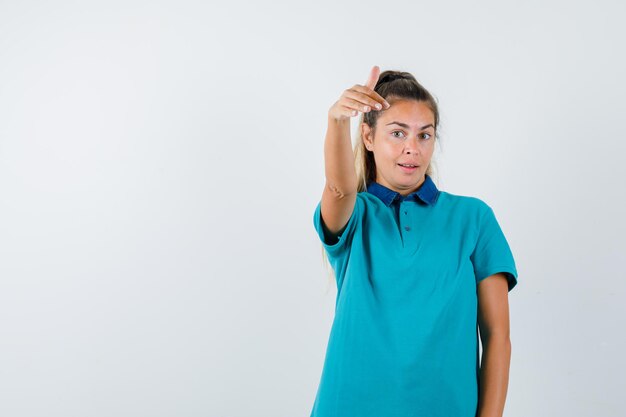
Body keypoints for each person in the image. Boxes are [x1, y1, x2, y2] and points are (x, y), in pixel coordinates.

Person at [310, 66, 519, 417]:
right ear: (368, 138)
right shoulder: (355, 214)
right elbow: (338, 188)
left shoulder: (474, 218)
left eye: (424, 135)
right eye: (397, 133)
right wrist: (336, 122)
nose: (412, 148)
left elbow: (498, 337)